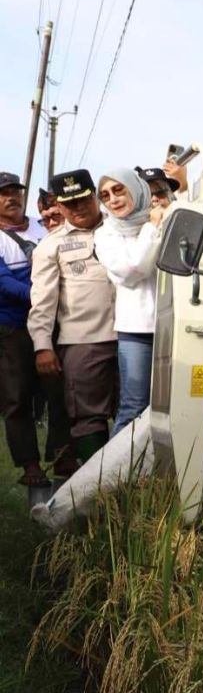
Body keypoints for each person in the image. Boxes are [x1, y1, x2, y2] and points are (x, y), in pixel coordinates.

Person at [28, 170, 118, 464]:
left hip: (133, 336)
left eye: (83, 199)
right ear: (60, 205)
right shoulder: (50, 246)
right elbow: (42, 300)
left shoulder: (122, 229)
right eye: (70, 204)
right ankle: (99, 492)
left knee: (139, 411)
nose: (78, 208)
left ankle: (137, 490)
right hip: (84, 342)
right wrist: (42, 345)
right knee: (88, 418)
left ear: (94, 196)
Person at [0, 171, 69, 486]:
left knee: (59, 392)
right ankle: (30, 466)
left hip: (53, 324)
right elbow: (3, 284)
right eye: (4, 193)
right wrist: (46, 295)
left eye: (15, 191)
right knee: (17, 398)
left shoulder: (44, 228)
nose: (11, 197)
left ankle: (62, 456)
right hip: (12, 328)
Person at [95, 168, 165, 436]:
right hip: (136, 332)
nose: (113, 199)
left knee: (172, 408)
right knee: (133, 407)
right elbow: (133, 270)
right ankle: (111, 477)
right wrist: (152, 228)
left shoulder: (164, 218)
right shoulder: (105, 235)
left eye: (118, 189)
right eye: (105, 195)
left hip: (176, 326)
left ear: (135, 188)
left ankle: (154, 476)